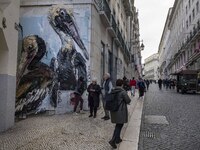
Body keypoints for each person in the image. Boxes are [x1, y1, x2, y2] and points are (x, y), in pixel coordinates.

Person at [109, 79, 131, 149]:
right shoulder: (122, 92)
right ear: (122, 84)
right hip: (120, 111)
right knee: (119, 125)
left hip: (114, 110)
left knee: (118, 124)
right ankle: (113, 140)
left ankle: (118, 139)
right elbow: (128, 100)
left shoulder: (113, 91)